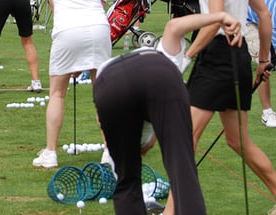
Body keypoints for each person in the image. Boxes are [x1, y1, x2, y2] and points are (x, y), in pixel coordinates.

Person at [95, 13, 241, 215]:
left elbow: (103, 121)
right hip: (156, 77)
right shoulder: (165, 57)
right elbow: (174, 25)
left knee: (127, 181)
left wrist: (114, 147)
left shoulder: (161, 58)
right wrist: (220, 16)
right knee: (182, 171)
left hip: (109, 83)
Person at [183, 0, 276, 205]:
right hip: (237, 60)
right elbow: (264, 16)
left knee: (186, 139)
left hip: (217, 56)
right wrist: (263, 60)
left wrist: (187, 56)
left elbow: (215, 18)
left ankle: (176, 209)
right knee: (238, 141)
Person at [32, 0, 111, 169]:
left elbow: (56, 8)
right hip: (99, 29)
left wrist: (74, 61)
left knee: (57, 94)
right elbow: (99, 6)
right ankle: (110, 151)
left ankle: (50, 153)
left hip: (68, 30)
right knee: (103, 95)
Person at [244, 0, 276, 128]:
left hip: (263, 15)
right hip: (247, 18)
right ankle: (267, 112)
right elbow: (271, 31)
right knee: (265, 60)